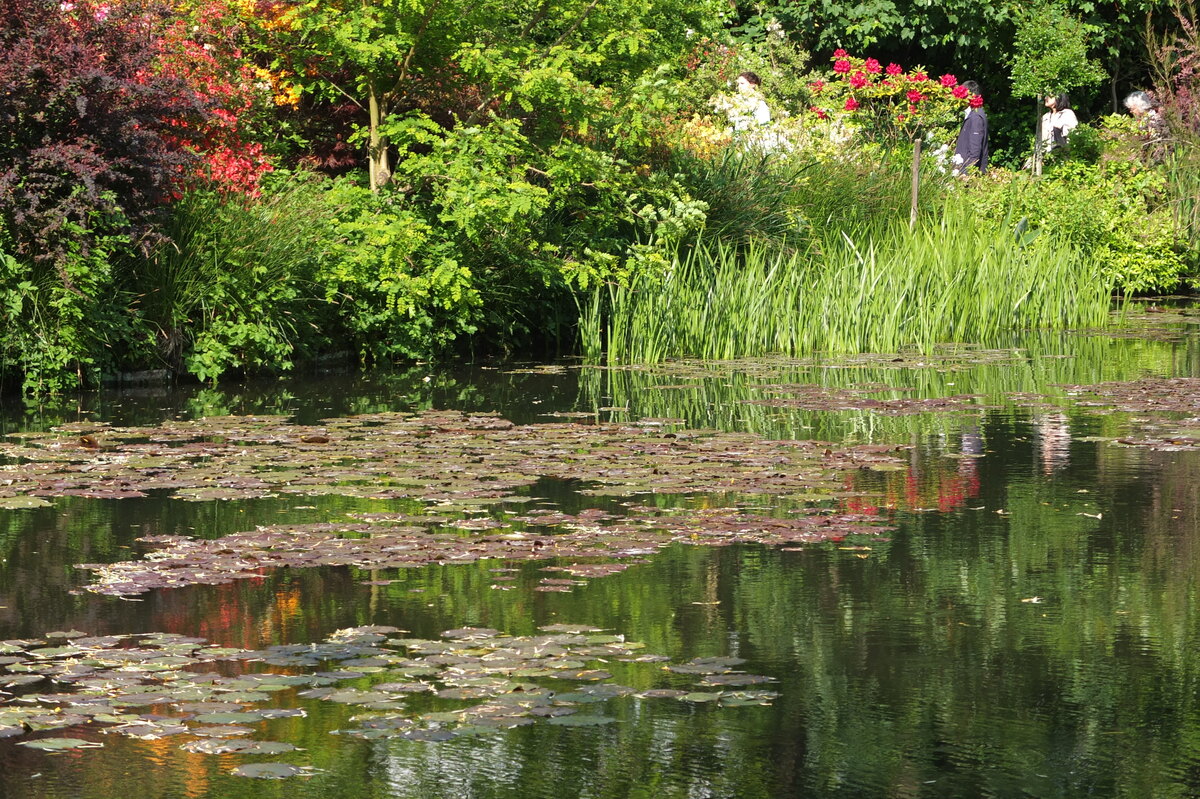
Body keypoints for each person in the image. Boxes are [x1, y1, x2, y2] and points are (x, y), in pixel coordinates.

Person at [952, 80, 988, 176]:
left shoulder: (976, 117)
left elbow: (975, 150)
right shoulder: (973, 114)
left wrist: (966, 174)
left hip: (968, 175)